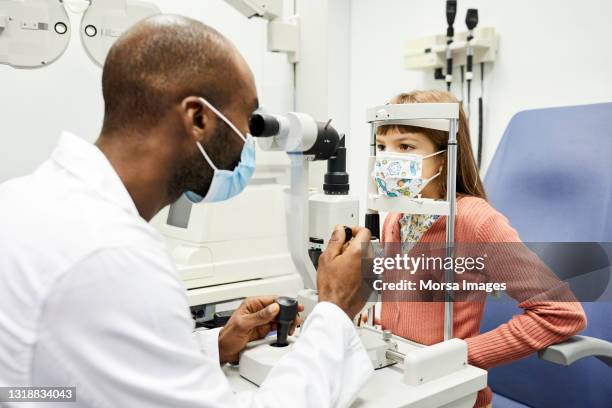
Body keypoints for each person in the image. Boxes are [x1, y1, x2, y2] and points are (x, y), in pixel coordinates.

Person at [0, 15, 373, 407]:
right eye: (247, 121)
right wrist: (334, 309)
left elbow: (55, 384)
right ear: (198, 118)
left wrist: (212, 345)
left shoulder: (23, 200)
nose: (247, 141)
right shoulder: (112, 256)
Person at [367, 90, 587, 408]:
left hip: (455, 395)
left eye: (405, 146)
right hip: (402, 386)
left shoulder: (474, 221)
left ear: (443, 155)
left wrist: (460, 357)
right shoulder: (395, 218)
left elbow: (561, 312)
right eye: (381, 147)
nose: (388, 159)